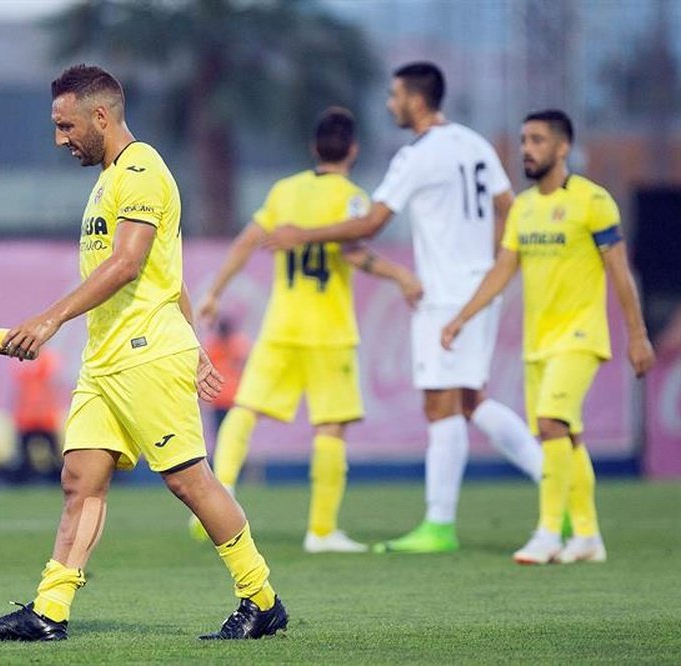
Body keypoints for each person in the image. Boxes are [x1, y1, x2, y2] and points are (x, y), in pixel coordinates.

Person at [0, 64, 286, 642]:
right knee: (79, 479)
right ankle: (50, 611)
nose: (60, 139)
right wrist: (197, 343)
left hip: (144, 354)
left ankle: (260, 597)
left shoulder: (142, 170)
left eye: (65, 126)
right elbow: (171, 275)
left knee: (189, 481)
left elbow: (130, 264)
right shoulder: (109, 179)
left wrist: (50, 317)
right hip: (107, 359)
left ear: (101, 116)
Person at [266, 62, 544, 554]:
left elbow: (371, 223)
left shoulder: (416, 156)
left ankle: (441, 525)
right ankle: (554, 487)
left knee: (442, 404)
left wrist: (301, 235)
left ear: (416, 100)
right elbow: (509, 207)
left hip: (444, 294)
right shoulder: (475, 143)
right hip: (480, 286)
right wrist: (497, 260)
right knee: (469, 400)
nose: (390, 103)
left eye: (395, 95)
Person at [190, 107, 423, 554]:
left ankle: (220, 497)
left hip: (281, 326)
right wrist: (401, 276)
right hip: (329, 332)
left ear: (313, 148)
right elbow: (354, 254)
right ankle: (321, 531)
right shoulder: (353, 199)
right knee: (331, 428)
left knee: (244, 411)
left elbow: (245, 242)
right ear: (353, 150)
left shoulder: (285, 191)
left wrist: (216, 290)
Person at [442, 109, 655, 564]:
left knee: (551, 424)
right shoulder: (523, 207)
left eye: (537, 140)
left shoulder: (593, 202)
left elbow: (619, 271)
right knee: (566, 436)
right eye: (523, 140)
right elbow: (503, 269)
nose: (526, 149)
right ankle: (588, 535)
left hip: (580, 336)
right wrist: (462, 317)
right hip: (538, 341)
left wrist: (638, 335)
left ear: (562, 148)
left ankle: (546, 533)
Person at [10, 347, 64, 480]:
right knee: (23, 454)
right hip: (27, 416)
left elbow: (52, 380)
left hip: (45, 416)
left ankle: (55, 478)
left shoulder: (48, 358)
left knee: (54, 453)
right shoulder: (20, 359)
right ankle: (27, 478)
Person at [203, 316, 251, 435]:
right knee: (230, 433)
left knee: (226, 433)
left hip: (227, 397)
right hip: (227, 398)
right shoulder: (235, 346)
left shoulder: (234, 346)